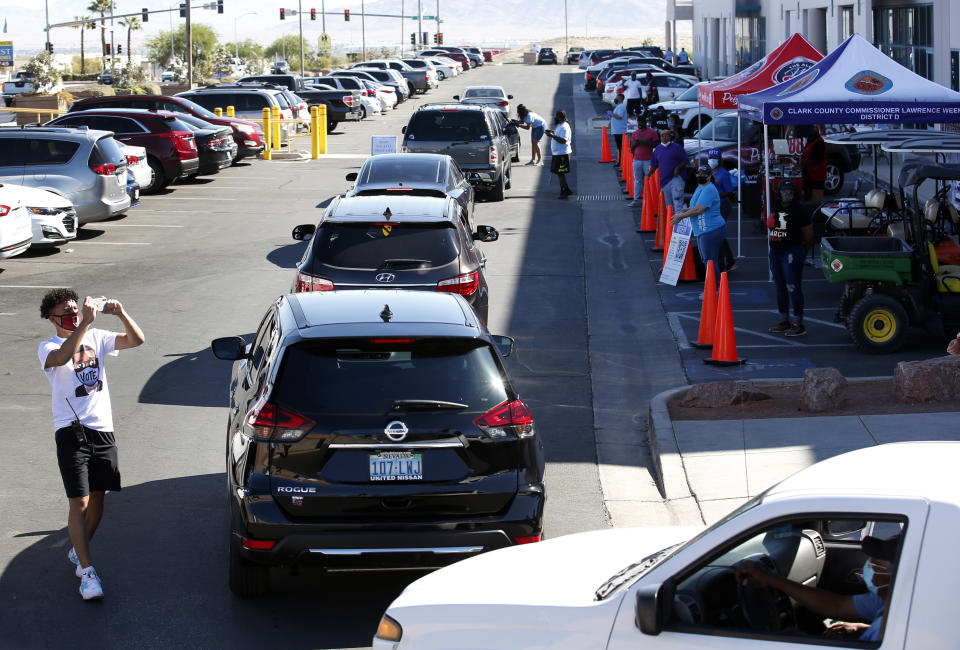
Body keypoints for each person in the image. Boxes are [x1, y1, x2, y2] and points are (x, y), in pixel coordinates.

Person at [38, 289, 145, 600]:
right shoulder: (48, 346)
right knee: (80, 503)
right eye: (66, 312)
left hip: (102, 430)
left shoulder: (96, 335)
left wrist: (121, 313)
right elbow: (60, 358)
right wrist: (84, 322)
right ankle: (87, 573)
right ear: (52, 319)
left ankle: (78, 550)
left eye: (75, 308)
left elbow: (135, 340)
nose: (73, 314)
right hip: (70, 432)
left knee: (98, 499)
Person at [739, 535, 900, 642]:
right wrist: (859, 628)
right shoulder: (889, 599)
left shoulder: (905, 618)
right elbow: (837, 605)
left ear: (898, 573)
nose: (870, 564)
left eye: (878, 563)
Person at [766, 180, 814, 337]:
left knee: (793, 287)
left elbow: (809, 236)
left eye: (790, 190)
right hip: (776, 252)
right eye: (784, 190)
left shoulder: (799, 211)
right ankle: (783, 320)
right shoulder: (776, 206)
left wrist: (801, 252)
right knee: (780, 287)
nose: (787, 193)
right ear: (778, 192)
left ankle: (799, 323)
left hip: (791, 252)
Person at [672, 164, 727, 269]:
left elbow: (698, 209)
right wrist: (687, 210)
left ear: (709, 176)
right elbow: (696, 206)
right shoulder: (700, 187)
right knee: (707, 259)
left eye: (703, 174)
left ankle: (714, 284)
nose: (699, 175)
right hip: (703, 230)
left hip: (710, 229)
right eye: (698, 173)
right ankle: (712, 284)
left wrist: (681, 216)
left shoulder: (709, 189)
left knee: (709, 260)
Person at [649, 128, 687, 216]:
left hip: (677, 179)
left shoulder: (677, 147)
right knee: (668, 205)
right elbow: (654, 164)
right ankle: (670, 225)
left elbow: (685, 161)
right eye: (662, 136)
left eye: (667, 135)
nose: (664, 138)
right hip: (664, 181)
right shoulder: (657, 149)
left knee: (677, 202)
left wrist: (678, 168)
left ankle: (678, 224)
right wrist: (649, 174)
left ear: (670, 137)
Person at [628, 115, 659, 209]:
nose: (640, 123)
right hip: (637, 160)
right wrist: (636, 144)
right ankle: (636, 199)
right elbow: (631, 146)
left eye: (642, 122)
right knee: (637, 180)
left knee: (648, 180)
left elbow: (656, 144)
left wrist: (644, 142)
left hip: (648, 160)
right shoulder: (635, 133)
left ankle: (649, 199)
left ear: (645, 122)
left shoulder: (652, 132)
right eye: (639, 122)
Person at [546, 109, 573, 199]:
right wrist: (552, 132)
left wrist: (552, 136)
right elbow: (559, 135)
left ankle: (564, 192)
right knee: (560, 173)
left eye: (557, 117)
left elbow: (563, 140)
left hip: (562, 154)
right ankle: (567, 189)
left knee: (560, 173)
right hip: (558, 153)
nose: (555, 118)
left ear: (560, 117)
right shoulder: (561, 125)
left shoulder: (564, 127)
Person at [800, 125, 827, 202]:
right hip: (809, 176)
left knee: (816, 201)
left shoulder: (818, 143)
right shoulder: (810, 141)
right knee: (808, 199)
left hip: (817, 177)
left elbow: (818, 159)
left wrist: (804, 163)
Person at [608, 94, 628, 166]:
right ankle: (620, 162)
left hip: (620, 131)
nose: (615, 99)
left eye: (617, 98)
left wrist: (611, 114)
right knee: (619, 148)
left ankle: (621, 163)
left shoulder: (621, 107)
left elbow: (619, 116)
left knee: (621, 148)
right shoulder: (619, 107)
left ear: (620, 99)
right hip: (617, 130)